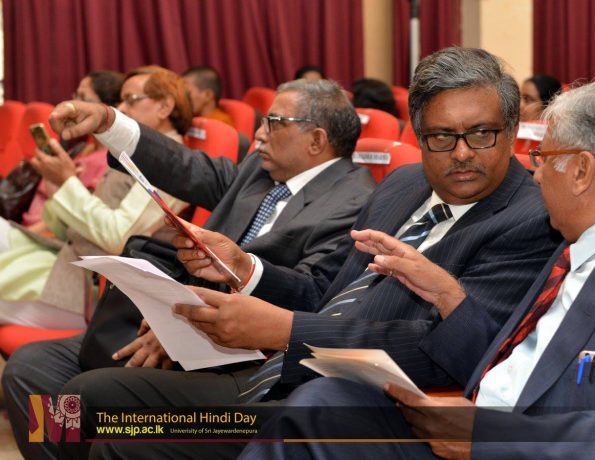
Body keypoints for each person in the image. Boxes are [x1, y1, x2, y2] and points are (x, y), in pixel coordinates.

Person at [60, 47, 559, 459]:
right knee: (69, 408)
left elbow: (451, 350)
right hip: (276, 373)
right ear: (421, 136)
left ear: (512, 129)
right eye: (442, 136)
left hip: (347, 408)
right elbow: (325, 290)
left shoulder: (533, 218)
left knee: (120, 438)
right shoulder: (404, 184)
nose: (463, 152)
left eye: (481, 134)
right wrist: (243, 268)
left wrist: (284, 330)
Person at [247, 79, 595, 459]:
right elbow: (509, 359)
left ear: (582, 170)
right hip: (464, 424)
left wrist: (494, 436)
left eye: (544, 157)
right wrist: (448, 297)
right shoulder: (570, 244)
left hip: (518, 446)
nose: (536, 173)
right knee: (322, 403)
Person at [2, 78, 376, 460]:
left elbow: (312, 296)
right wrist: (108, 122)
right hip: (172, 317)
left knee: (82, 399)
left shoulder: (354, 202)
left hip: (237, 350)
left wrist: (227, 284)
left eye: (275, 122)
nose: (259, 133)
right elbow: (183, 165)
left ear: (316, 140)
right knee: (31, 369)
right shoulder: (260, 171)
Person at [0, 65, 190, 329]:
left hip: (95, 290)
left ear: (164, 107)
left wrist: (67, 183)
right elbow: (65, 229)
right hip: (71, 260)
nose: (121, 109)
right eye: (121, 100)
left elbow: (119, 238)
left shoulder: (172, 164)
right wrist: (59, 185)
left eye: (131, 100)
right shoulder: (134, 152)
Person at [21, 70, 124, 229]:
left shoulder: (111, 161)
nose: (73, 105)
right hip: (27, 225)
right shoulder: (81, 148)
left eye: (83, 98)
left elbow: (75, 222)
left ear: (107, 109)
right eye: (75, 96)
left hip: (47, 234)